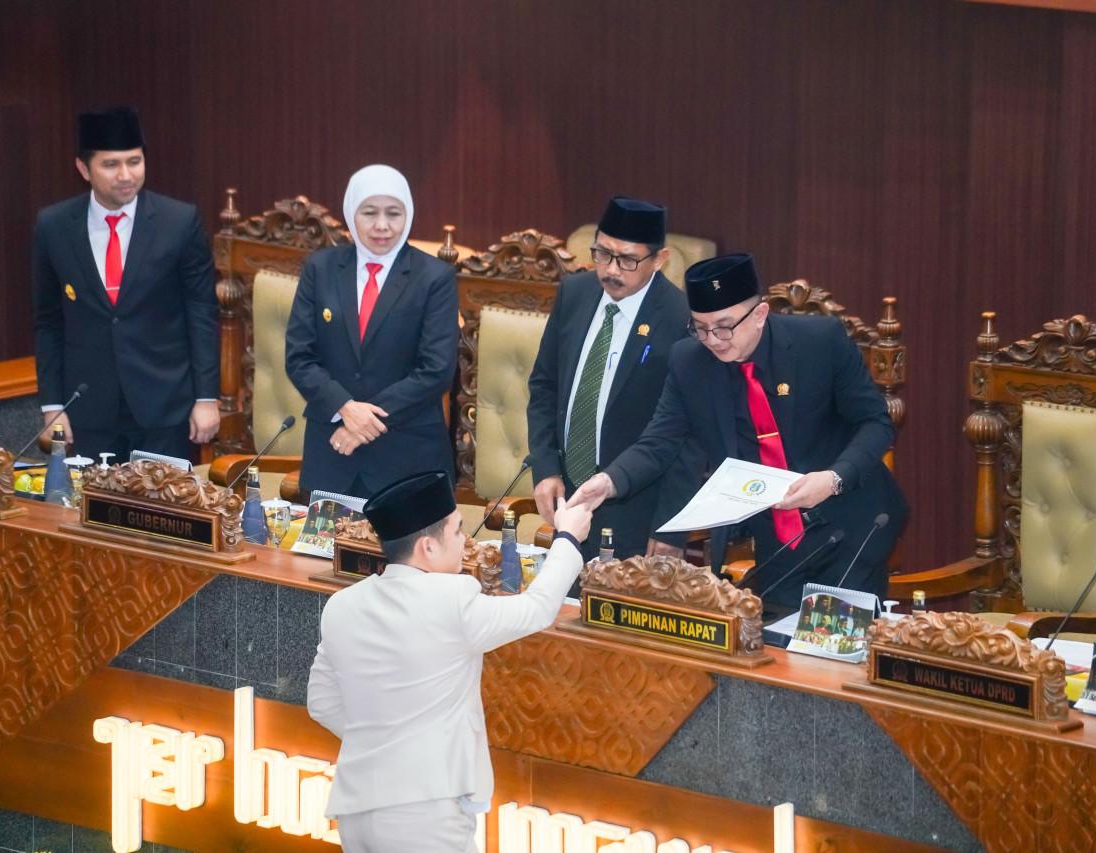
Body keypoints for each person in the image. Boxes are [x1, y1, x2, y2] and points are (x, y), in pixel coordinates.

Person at [569, 252, 907, 604]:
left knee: (835, 638)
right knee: (776, 635)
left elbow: (876, 422)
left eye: (724, 326)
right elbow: (659, 442)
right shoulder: (689, 362)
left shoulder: (820, 342)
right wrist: (609, 481)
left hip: (851, 524)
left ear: (759, 314)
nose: (713, 340)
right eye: (700, 328)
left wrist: (833, 479)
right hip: (776, 539)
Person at [307, 471, 592, 853]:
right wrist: (568, 538)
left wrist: (384, 747)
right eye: (457, 531)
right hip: (425, 818)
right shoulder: (453, 601)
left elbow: (321, 703)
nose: (466, 541)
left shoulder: (342, 604)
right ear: (427, 547)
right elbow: (538, 609)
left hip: (355, 812)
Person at [32, 107, 220, 462]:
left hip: (166, 407)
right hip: (88, 409)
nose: (125, 175)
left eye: (134, 161)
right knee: (92, 499)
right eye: (111, 164)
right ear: (83, 169)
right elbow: (48, 321)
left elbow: (202, 313)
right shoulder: (54, 225)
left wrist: (206, 398)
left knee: (165, 499)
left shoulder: (178, 222)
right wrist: (53, 405)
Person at [526, 196, 700, 560]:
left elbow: (687, 436)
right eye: (602, 254)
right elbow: (544, 386)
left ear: (659, 260)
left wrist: (670, 526)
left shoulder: (680, 318)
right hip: (566, 500)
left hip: (635, 511)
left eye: (628, 260)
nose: (611, 270)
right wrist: (545, 469)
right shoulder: (574, 292)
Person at [285, 165, 458, 498]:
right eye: (369, 212)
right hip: (332, 455)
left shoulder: (434, 278)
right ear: (352, 213)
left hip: (408, 458)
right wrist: (345, 408)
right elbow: (299, 358)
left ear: (408, 215)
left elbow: (436, 371)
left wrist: (362, 425)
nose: (382, 225)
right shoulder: (320, 268)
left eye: (393, 213)